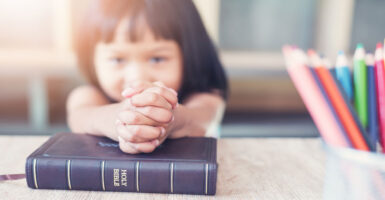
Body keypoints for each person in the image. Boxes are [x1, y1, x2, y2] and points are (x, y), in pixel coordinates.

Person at [67, 0, 228, 154]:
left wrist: (167, 119)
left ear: (190, 54)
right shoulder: (88, 95)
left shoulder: (205, 96)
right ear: (91, 59)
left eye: (157, 59)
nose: (137, 77)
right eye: (117, 59)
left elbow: (203, 119)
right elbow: (80, 117)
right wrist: (122, 119)